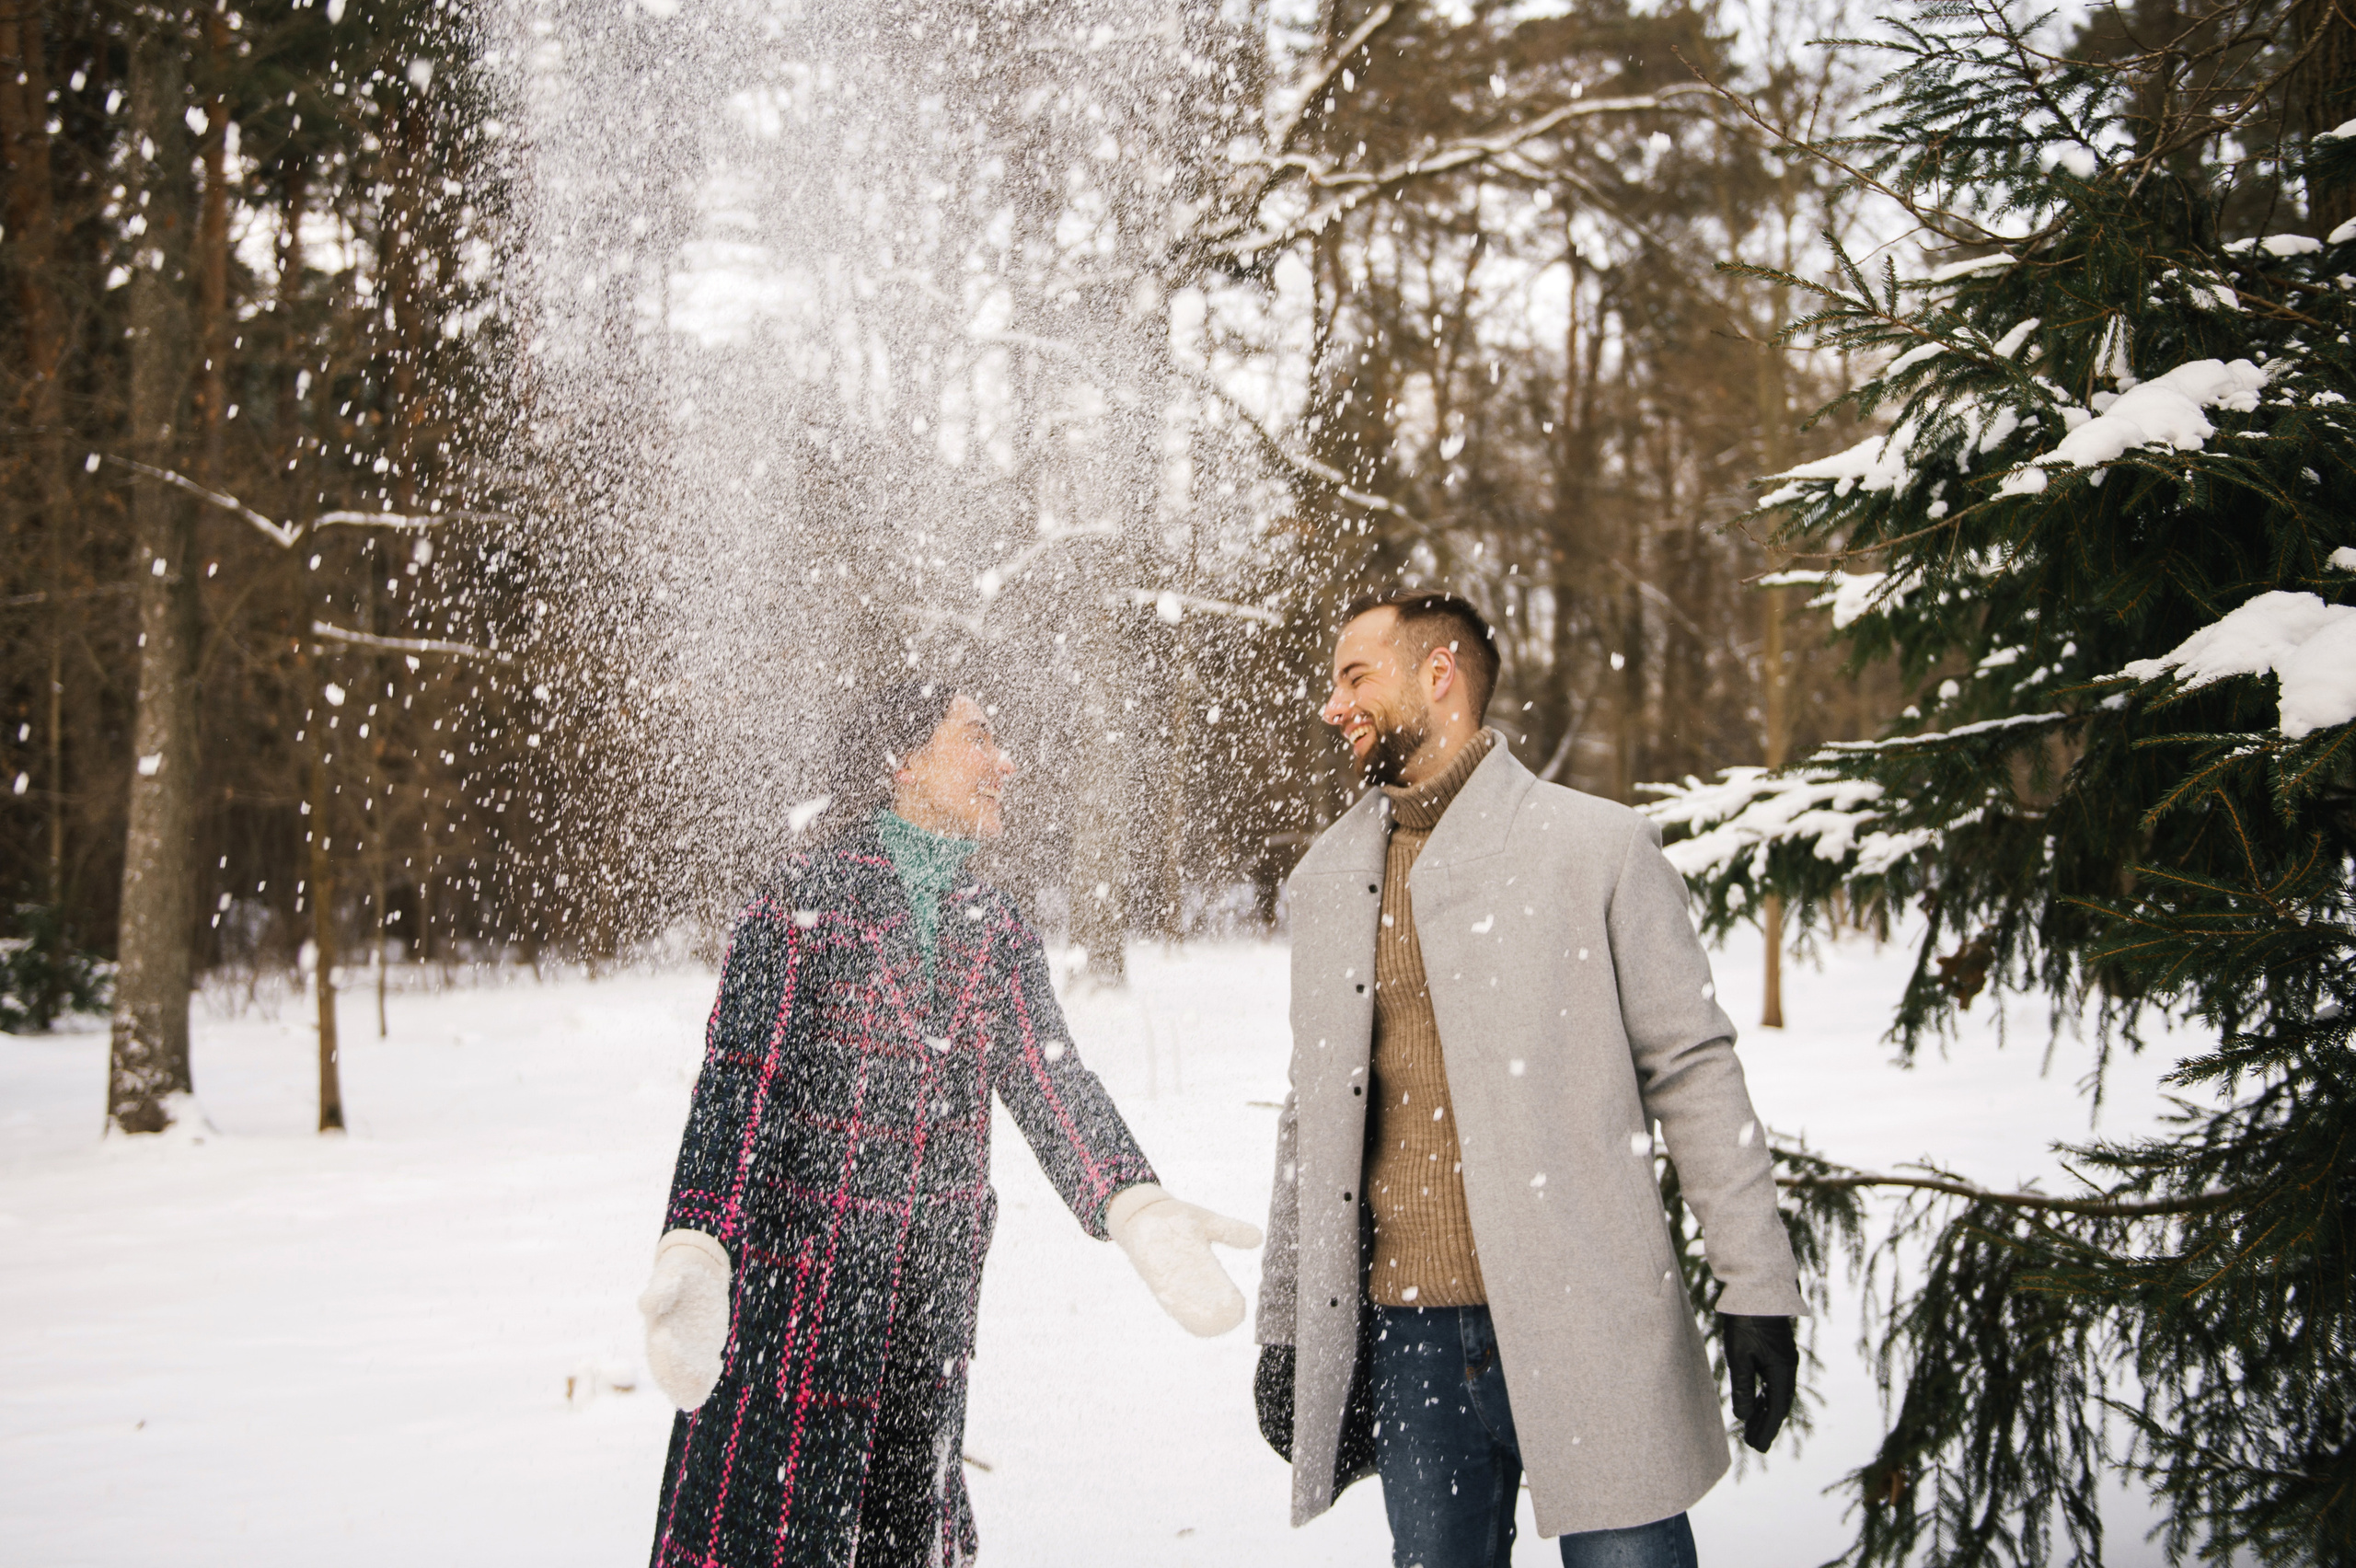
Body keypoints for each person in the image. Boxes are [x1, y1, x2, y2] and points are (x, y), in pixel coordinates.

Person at [638, 677, 1261, 1568]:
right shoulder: (803, 903)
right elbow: (741, 1083)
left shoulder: (995, 925)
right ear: (903, 763)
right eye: (977, 736)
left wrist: (1133, 1202)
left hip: (925, 1344)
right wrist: (697, 1241)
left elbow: (1052, 1080)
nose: (1004, 762)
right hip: (793, 1333)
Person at [1253, 592, 1806, 1568]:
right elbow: (1313, 1118)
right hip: (1410, 1336)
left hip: (1586, 1317)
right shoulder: (1329, 881)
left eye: (1355, 677)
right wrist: (1288, 1324)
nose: (1332, 706)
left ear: (1439, 676)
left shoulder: (1594, 848)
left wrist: (1755, 1287)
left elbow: (1692, 1070)